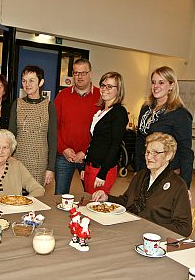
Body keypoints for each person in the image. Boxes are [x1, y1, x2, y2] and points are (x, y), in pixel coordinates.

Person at [92, 132, 192, 237]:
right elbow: (126, 201)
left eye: (155, 153)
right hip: (130, 230)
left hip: (153, 239)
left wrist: (151, 228)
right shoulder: (141, 175)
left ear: (169, 155)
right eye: (147, 152)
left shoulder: (178, 185)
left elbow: (184, 228)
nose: (149, 157)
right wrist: (107, 198)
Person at [136, 66, 194, 189]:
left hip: (167, 173)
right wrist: (138, 169)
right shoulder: (146, 109)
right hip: (145, 169)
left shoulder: (180, 114)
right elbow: (140, 140)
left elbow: (186, 151)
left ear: (171, 85)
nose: (156, 86)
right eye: (153, 82)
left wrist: (185, 186)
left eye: (161, 82)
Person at [54, 58, 100, 194]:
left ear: (90, 74)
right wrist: (63, 149)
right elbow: (54, 127)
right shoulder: (62, 96)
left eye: (83, 73)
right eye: (76, 73)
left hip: (89, 156)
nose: (79, 77)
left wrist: (86, 152)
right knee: (60, 196)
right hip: (64, 156)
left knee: (92, 197)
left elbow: (102, 132)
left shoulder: (101, 97)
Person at [9, 65, 57, 186]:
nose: (27, 84)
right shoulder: (17, 104)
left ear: (41, 82)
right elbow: (11, 134)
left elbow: (52, 138)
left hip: (39, 162)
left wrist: (50, 168)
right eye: (24, 81)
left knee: (37, 198)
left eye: (31, 80)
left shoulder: (48, 106)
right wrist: (8, 157)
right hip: (18, 158)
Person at [83, 72, 128, 194]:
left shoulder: (119, 112)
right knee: (87, 203)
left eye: (109, 86)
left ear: (118, 90)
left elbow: (115, 145)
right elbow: (95, 141)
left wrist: (102, 174)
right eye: (103, 85)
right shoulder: (102, 111)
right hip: (90, 166)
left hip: (102, 170)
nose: (104, 89)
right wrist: (85, 166)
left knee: (96, 207)